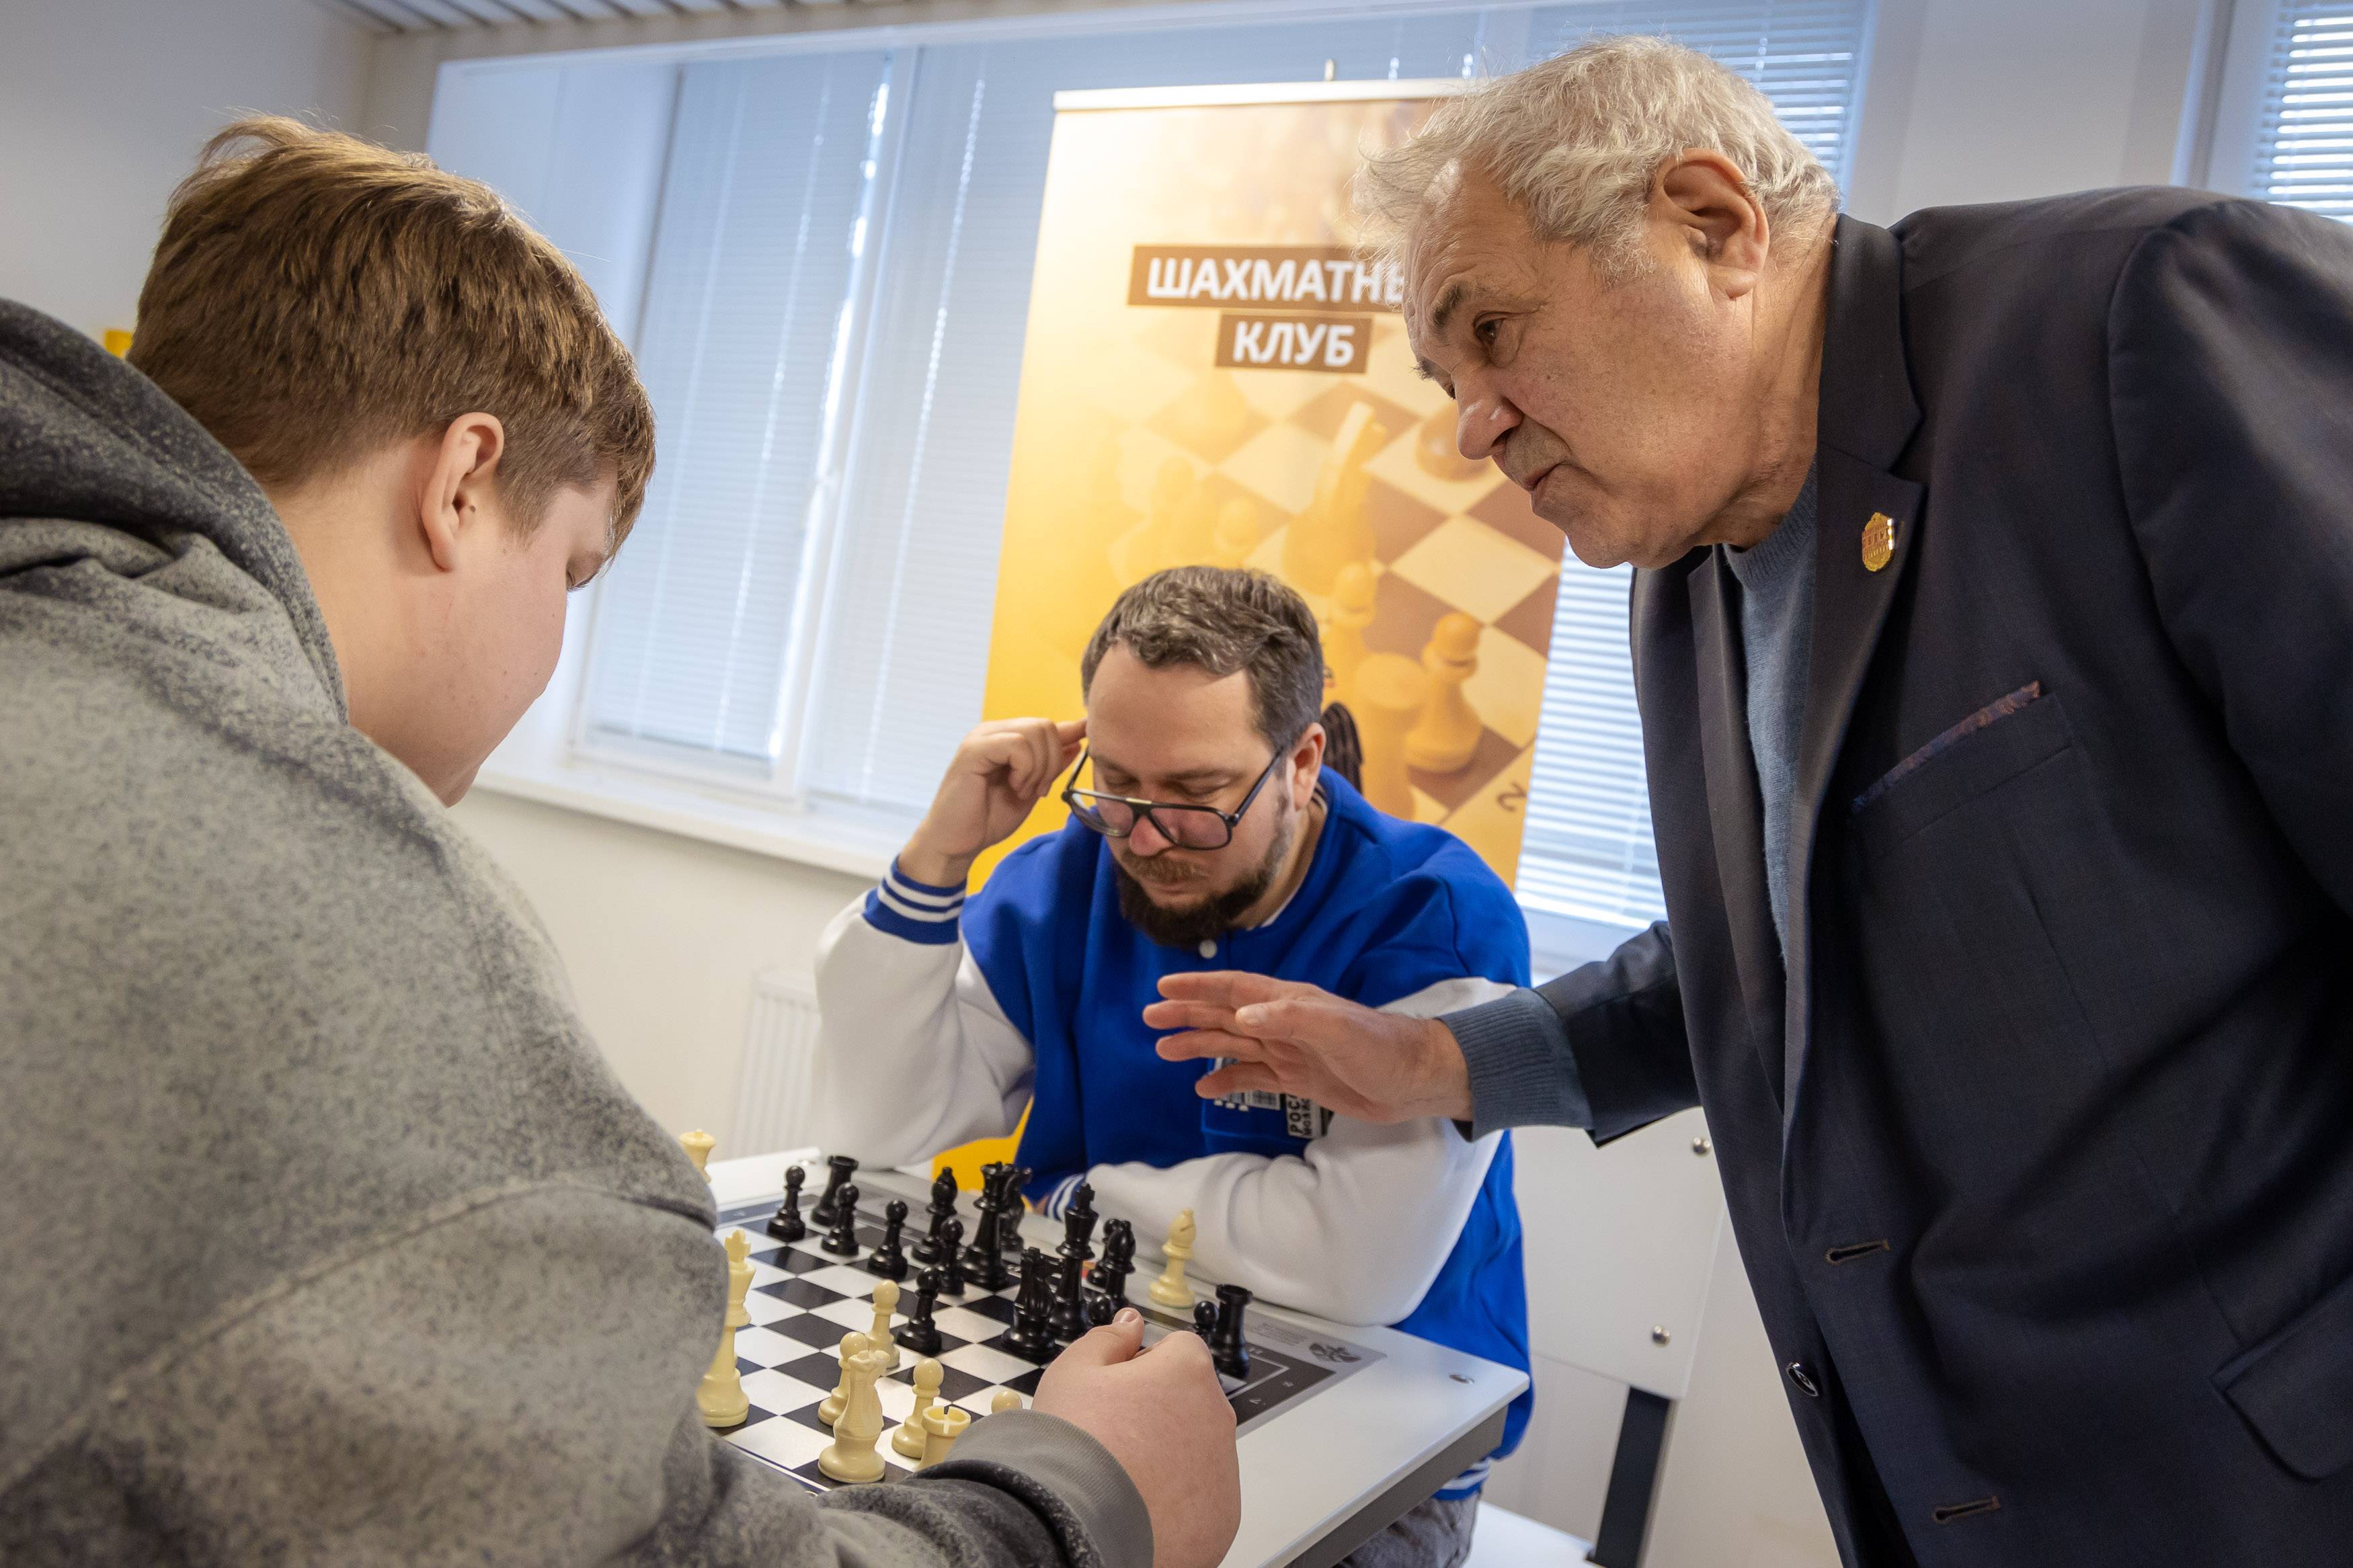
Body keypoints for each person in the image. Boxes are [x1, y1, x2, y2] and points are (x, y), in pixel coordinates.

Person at [1152, 36, 2353, 1568]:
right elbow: (1777, 952)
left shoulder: (2134, 322)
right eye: (1448, 383)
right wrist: (1433, 1062)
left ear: (1712, 226)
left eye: (1492, 331)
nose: (1470, 428)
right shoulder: (1685, 581)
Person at [0, 118, 1236, 1568]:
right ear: (463, 483)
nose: (550, 654)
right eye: (574, 570)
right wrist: (1063, 1502)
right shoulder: (332, 890)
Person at [811, 566, 1532, 1567]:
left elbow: (1350, 1267)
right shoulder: (1065, 873)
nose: (1144, 837)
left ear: (1301, 762)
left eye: (1195, 796)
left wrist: (1080, 1196)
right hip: (1098, 1352)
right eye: (1116, 782)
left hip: (1379, 1413)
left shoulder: (1436, 922)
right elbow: (877, 1125)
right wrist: (939, 852)